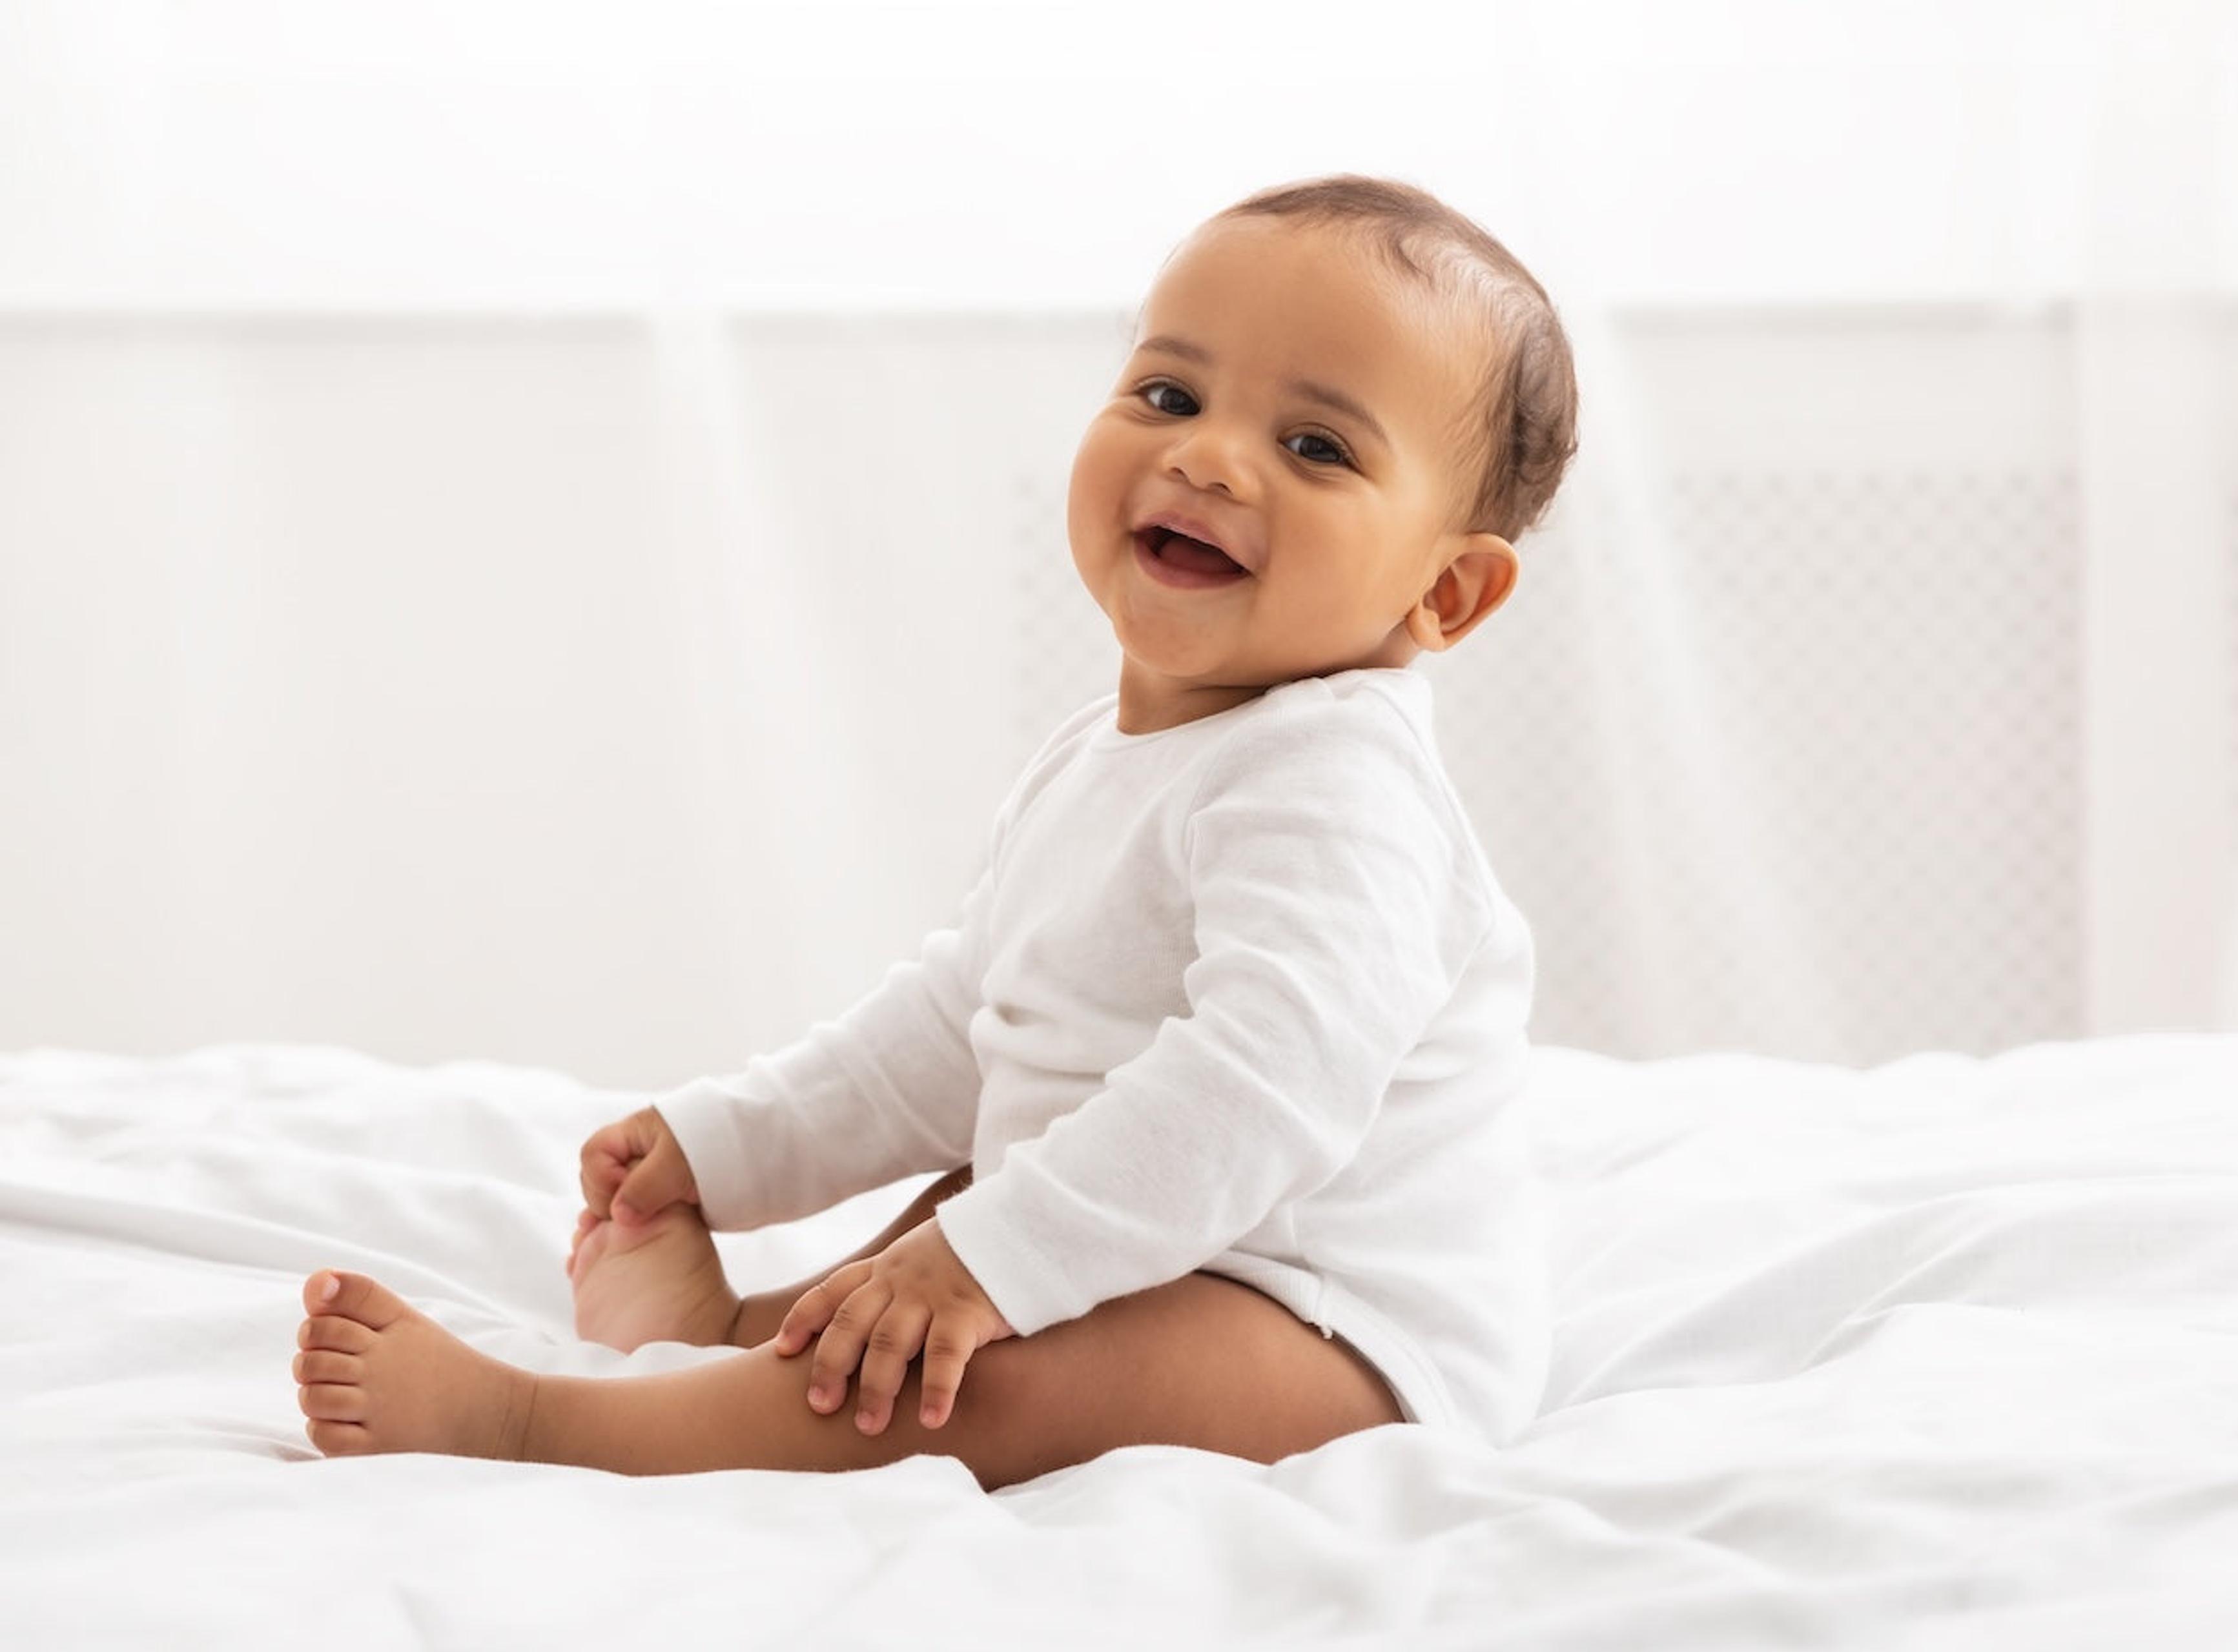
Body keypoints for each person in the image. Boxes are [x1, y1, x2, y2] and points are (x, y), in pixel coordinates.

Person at [289, 172, 1583, 1490]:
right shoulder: (1107, 756)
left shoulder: (1342, 787)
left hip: (1336, 1323)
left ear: (1447, 589)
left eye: (1316, 446)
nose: (1207, 454)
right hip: (1171, 1239)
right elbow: (964, 1024)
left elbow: (1257, 1089)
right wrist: (731, 1144)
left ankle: (542, 1428)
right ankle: (740, 1343)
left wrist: (981, 1263)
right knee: (967, 1210)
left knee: (986, 1340)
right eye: (1171, 395)